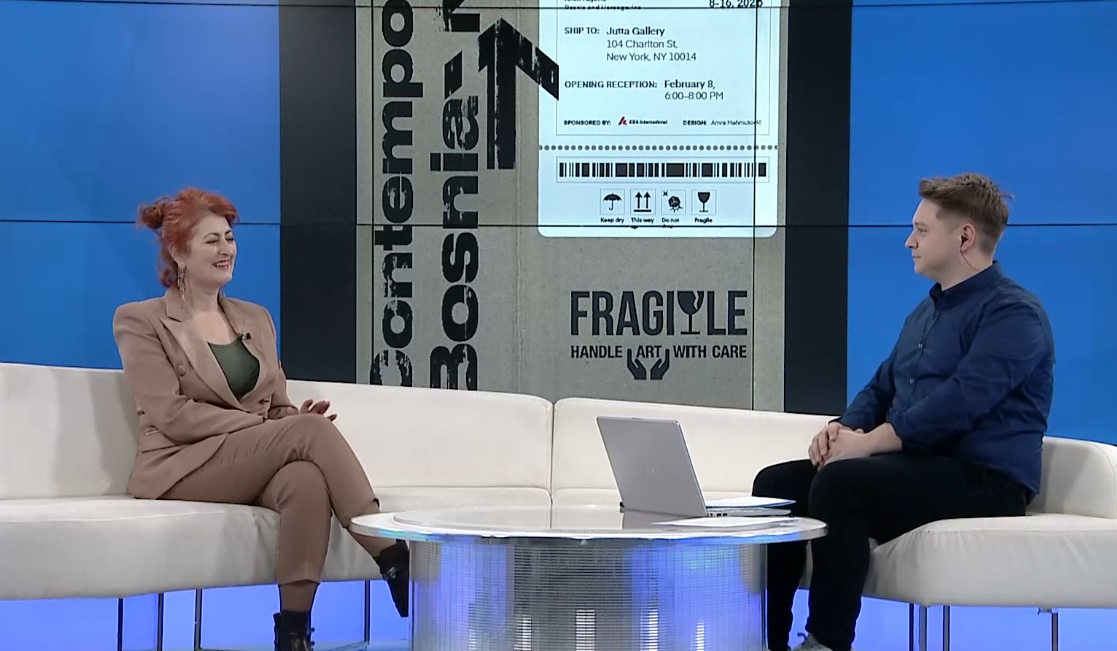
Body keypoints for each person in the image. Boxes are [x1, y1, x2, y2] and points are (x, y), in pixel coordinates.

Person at [752, 173, 1055, 651]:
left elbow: (961, 402)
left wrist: (868, 445)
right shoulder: (926, 312)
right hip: (920, 467)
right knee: (776, 486)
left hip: (983, 479)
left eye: (921, 230)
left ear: (964, 237)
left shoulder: (1014, 314)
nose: (909, 241)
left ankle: (827, 642)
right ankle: (765, 639)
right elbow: (883, 385)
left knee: (840, 485)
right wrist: (842, 430)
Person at [112, 188, 410, 651]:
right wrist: (277, 431)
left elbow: (275, 408)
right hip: (181, 464)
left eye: (229, 238)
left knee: (305, 479)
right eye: (212, 240)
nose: (226, 249)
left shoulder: (256, 318)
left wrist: (289, 421)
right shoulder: (141, 320)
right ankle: (391, 554)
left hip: (245, 458)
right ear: (179, 253)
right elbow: (172, 415)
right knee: (309, 434)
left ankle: (293, 633)